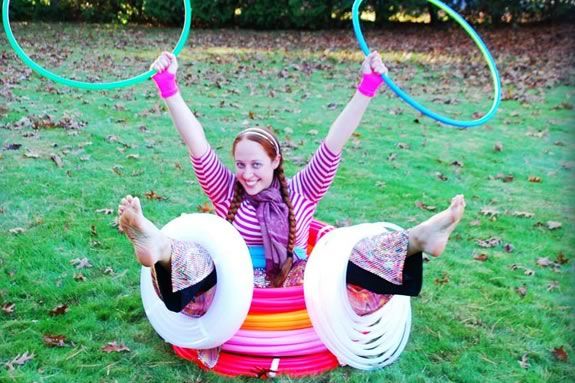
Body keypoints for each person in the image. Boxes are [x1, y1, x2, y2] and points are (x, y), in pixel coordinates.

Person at [118, 51, 465, 322]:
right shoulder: (226, 191)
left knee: (340, 261)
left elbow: (335, 141)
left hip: (294, 277)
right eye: (240, 164)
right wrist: (168, 87)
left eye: (256, 165)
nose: (247, 174)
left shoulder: (302, 191)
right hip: (234, 279)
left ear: (275, 162)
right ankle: (159, 246)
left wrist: (367, 87)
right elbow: (196, 142)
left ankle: (416, 240)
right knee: (197, 258)